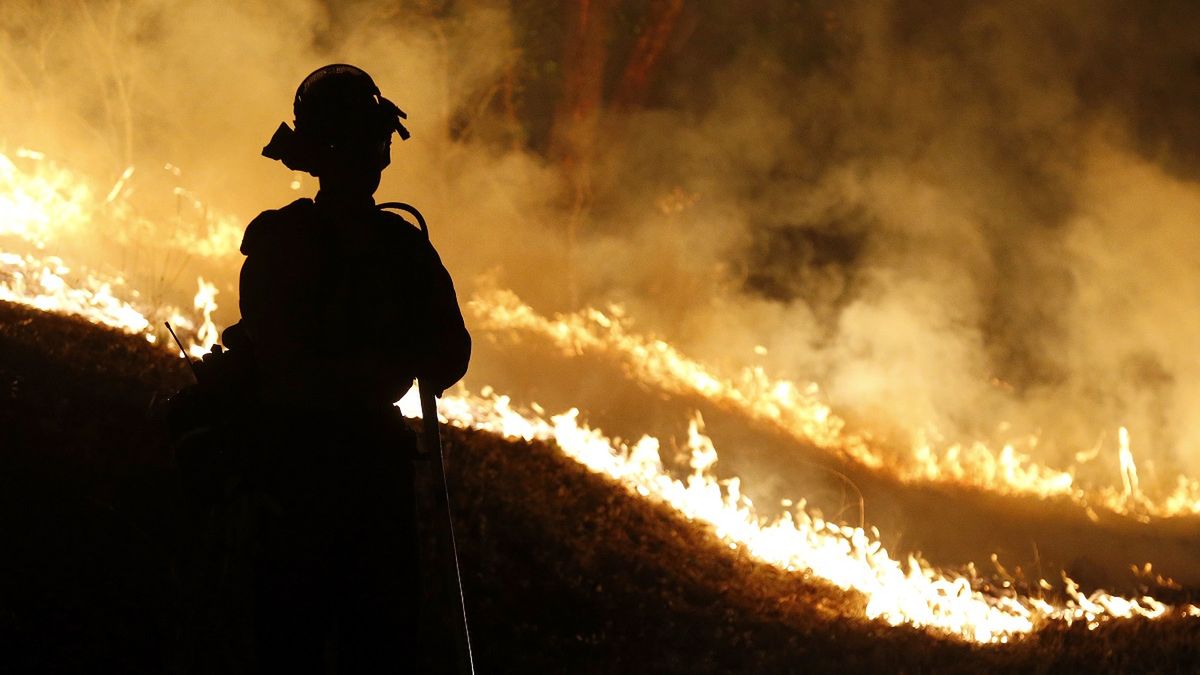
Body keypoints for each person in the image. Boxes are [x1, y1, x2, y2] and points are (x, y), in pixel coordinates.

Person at [180, 63, 470, 674]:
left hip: (292, 475)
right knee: (374, 646)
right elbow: (449, 357)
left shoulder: (283, 239)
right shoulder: (401, 245)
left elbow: (267, 344)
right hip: (358, 476)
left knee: (292, 643)